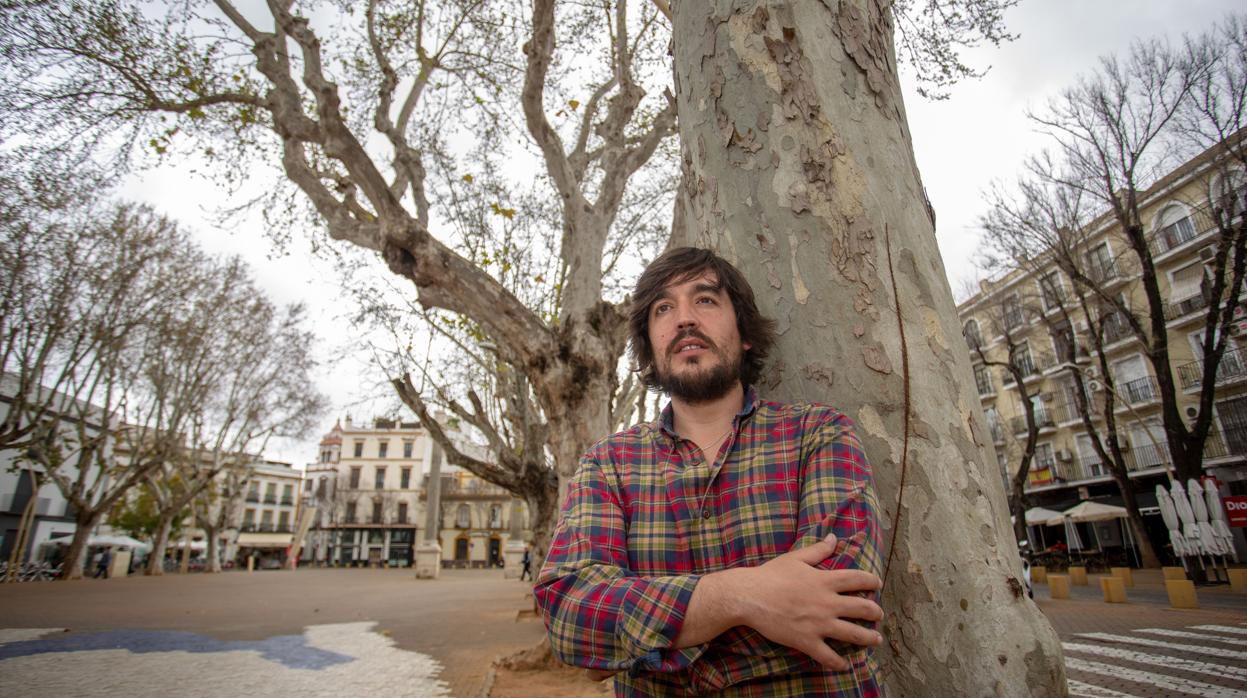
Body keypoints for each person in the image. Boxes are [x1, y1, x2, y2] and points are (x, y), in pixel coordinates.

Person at [535, 247, 884, 696]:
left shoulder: (820, 434)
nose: (683, 319)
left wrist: (638, 644)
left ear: (745, 335)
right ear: (650, 346)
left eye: (704, 300)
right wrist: (743, 595)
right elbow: (570, 621)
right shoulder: (609, 464)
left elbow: (843, 612)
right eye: (663, 308)